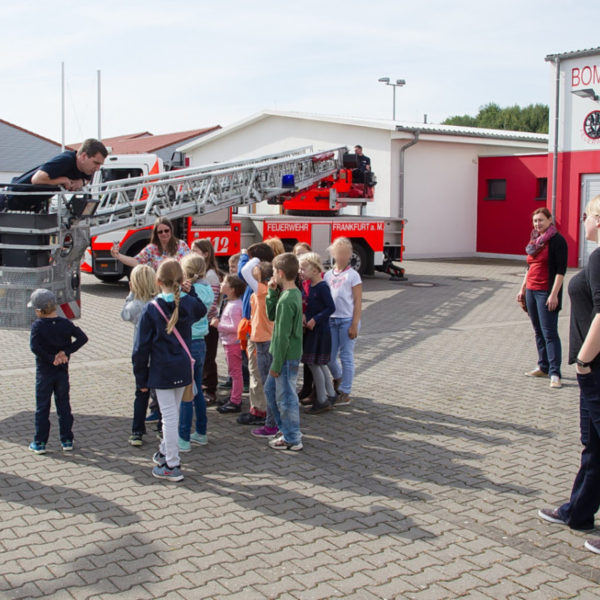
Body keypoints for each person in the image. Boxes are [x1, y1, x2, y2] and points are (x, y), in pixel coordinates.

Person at [537, 195, 600, 556]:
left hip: (595, 368)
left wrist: (583, 361)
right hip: (593, 368)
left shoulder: (599, 258)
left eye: (587, 215)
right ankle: (578, 512)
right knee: (593, 447)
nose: (583, 220)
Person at [133, 259, 206, 482]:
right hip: (183, 366)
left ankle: (172, 463)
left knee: (169, 417)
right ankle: (165, 451)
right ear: (181, 281)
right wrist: (190, 291)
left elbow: (140, 349)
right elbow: (202, 310)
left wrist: (140, 377)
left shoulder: (151, 309)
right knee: (172, 413)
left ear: (158, 281)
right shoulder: (188, 303)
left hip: (162, 370)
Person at [28, 289, 88, 454]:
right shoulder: (65, 323)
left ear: (39, 310)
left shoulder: (37, 325)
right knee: (63, 406)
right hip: (62, 371)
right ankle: (67, 439)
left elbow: (34, 347)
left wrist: (50, 357)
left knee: (42, 407)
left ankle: (39, 442)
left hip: (44, 372)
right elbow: (83, 338)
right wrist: (65, 352)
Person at [517, 207, 568, 389]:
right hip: (531, 290)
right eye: (535, 221)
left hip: (546, 292)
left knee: (550, 333)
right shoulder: (535, 241)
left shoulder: (557, 241)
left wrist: (554, 294)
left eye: (541, 220)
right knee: (538, 331)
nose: (538, 224)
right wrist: (522, 289)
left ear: (549, 220)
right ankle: (543, 366)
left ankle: (555, 372)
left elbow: (561, 271)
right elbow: (529, 267)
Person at [264, 252, 304, 451]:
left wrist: (276, 364)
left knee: (286, 397)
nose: (272, 275)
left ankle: (292, 437)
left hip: (285, 357)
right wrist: (271, 293)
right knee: (270, 390)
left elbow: (281, 335)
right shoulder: (290, 294)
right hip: (285, 355)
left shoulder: (288, 299)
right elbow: (272, 316)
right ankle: (287, 429)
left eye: (273, 271)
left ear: (280, 272)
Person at [3, 138, 107, 213]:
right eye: (96, 163)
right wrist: (62, 180)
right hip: (10, 202)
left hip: (31, 207)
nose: (97, 169)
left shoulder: (86, 169)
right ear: (84, 156)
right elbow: (36, 179)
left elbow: (87, 180)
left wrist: (82, 182)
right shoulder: (66, 160)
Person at [178, 254, 214, 452]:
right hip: (201, 342)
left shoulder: (187, 292)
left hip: (188, 342)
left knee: (186, 392)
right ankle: (201, 432)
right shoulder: (207, 289)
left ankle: (183, 438)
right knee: (197, 389)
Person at [120, 265, 159, 446]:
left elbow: (124, 314)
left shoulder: (135, 305)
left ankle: (137, 431)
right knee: (160, 393)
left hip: (141, 354)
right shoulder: (159, 302)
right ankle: (161, 427)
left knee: (141, 392)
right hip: (158, 354)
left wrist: (131, 294)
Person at [238, 243, 275, 425]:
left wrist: (247, 254)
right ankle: (258, 407)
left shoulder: (262, 289)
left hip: (260, 337)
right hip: (258, 334)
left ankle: (260, 410)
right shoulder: (266, 288)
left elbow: (243, 271)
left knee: (257, 373)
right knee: (256, 372)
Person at [325, 237, 362, 404]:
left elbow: (358, 301)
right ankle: (339, 379)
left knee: (346, 356)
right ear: (333, 253)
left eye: (345, 253)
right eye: (338, 253)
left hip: (347, 320)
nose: (342, 256)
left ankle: (345, 391)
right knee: (330, 358)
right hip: (331, 320)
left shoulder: (353, 275)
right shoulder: (327, 275)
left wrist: (354, 323)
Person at [299, 253, 337, 414]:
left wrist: (315, 319)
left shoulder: (322, 287)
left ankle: (322, 400)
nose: (300, 271)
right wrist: (304, 315)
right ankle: (331, 394)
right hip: (312, 330)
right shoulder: (309, 285)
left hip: (320, 331)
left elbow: (331, 307)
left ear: (315, 270)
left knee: (314, 364)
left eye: (303, 268)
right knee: (318, 364)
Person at [191, 238, 222, 405]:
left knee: (208, 358)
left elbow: (212, 303)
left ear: (205, 254)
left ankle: (210, 389)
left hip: (209, 323)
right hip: (202, 323)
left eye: (195, 251)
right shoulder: (199, 276)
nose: (192, 254)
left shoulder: (210, 276)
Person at [213, 275, 246, 414]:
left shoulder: (234, 306)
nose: (221, 284)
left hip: (233, 344)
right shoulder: (232, 303)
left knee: (236, 372)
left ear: (232, 289)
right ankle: (234, 396)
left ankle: (235, 400)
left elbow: (236, 327)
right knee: (234, 372)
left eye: (225, 282)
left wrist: (218, 325)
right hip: (230, 343)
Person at [111, 217, 190, 272]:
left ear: (171, 231)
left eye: (166, 230)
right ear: (156, 234)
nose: (164, 233)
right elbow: (136, 261)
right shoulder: (152, 248)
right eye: (160, 232)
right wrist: (118, 256)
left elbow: (190, 264)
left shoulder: (181, 245)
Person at [293, 242, 315, 402]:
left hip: (310, 324)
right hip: (299, 324)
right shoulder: (297, 279)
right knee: (303, 358)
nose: (299, 257)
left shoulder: (312, 281)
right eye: (296, 254)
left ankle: (312, 389)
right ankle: (306, 389)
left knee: (310, 360)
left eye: (302, 254)